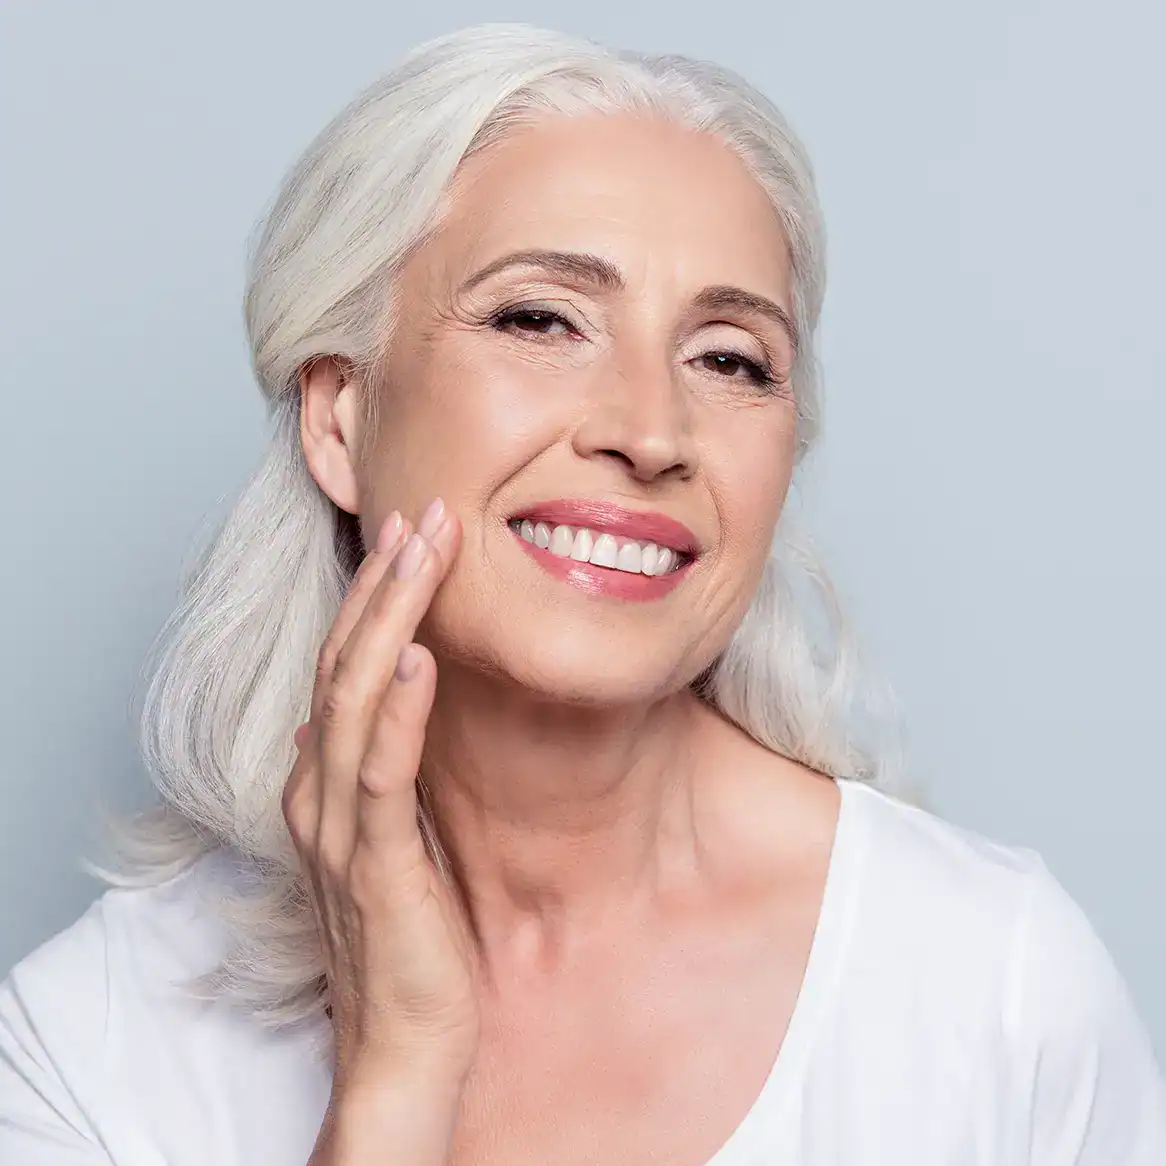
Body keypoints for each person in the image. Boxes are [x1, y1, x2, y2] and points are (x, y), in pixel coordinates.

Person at [1, 21, 1163, 1166]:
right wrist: (396, 1072)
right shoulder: (92, 1046)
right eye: (538, 318)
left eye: (729, 358)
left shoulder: (995, 988)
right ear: (338, 416)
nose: (651, 431)